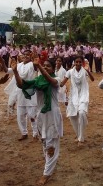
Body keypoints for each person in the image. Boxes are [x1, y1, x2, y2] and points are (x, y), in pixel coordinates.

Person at [12, 57, 63, 186]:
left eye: (48, 66)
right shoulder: (38, 81)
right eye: (44, 65)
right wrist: (16, 72)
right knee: (45, 142)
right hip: (41, 115)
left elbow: (50, 80)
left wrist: (39, 66)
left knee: (51, 145)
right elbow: (21, 85)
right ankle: (50, 165)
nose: (45, 67)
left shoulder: (56, 80)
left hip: (52, 115)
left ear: (53, 68)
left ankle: (46, 174)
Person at [60, 55, 94, 146]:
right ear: (74, 63)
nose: (78, 63)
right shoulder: (70, 72)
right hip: (73, 96)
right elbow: (62, 82)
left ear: (82, 63)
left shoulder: (85, 71)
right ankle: (78, 134)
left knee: (82, 113)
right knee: (72, 116)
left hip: (83, 95)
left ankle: (81, 139)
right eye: (76, 62)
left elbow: (93, 79)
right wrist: (59, 84)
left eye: (80, 62)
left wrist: (88, 71)